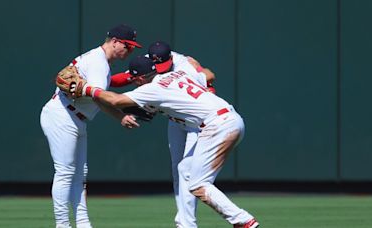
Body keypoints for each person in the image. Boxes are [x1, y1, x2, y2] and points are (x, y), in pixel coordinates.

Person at [60, 56, 259, 228]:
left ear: (138, 78)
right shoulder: (177, 74)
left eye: (134, 79)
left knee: (198, 184)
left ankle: (243, 221)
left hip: (216, 127)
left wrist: (87, 88)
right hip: (232, 119)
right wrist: (196, 66)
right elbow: (207, 76)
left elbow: (115, 100)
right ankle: (186, 223)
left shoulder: (152, 89)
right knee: (185, 170)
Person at [40, 24, 141, 228]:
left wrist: (120, 117)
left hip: (75, 117)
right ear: (114, 42)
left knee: (79, 174)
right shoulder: (98, 63)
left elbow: (97, 97)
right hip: (63, 115)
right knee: (65, 172)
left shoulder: (100, 61)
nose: (129, 51)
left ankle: (83, 223)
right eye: (127, 46)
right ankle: (62, 225)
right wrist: (120, 114)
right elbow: (102, 98)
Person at [108, 41, 216, 227]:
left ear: (171, 58)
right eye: (157, 65)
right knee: (178, 169)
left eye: (164, 64)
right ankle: (183, 217)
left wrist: (199, 76)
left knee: (187, 171)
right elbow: (124, 79)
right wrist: (99, 80)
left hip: (195, 121)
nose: (160, 68)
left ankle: (187, 222)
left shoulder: (182, 63)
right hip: (176, 120)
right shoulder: (147, 64)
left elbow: (209, 76)